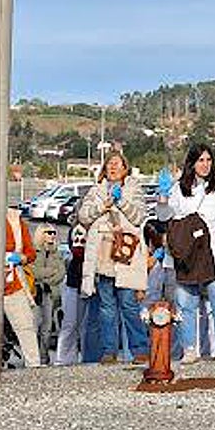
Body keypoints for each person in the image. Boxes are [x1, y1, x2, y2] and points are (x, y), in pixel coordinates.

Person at [156, 144, 215, 364]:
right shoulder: (178, 189)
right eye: (200, 160)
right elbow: (163, 216)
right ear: (191, 163)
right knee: (185, 302)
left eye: (209, 160)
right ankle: (189, 348)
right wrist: (162, 196)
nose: (205, 164)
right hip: (186, 254)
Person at [78, 151, 149, 364]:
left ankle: (139, 350)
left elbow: (139, 217)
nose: (113, 167)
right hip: (102, 254)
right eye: (109, 163)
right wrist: (103, 205)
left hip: (125, 253)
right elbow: (83, 216)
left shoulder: (134, 189)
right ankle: (109, 351)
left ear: (125, 168)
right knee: (106, 307)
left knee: (128, 304)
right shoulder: (96, 190)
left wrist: (122, 201)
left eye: (117, 164)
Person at [3, 207, 43, 367]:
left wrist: (21, 258)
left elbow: (31, 253)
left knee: (26, 327)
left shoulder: (14, 220)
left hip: (13, 284)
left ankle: (34, 367)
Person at [54, 222, 91, 365]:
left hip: (88, 282)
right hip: (74, 281)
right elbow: (77, 251)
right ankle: (64, 358)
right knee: (70, 323)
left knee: (86, 325)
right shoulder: (78, 229)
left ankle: (86, 356)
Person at [30, 223, 65, 364]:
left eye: (53, 232)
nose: (52, 235)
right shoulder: (34, 251)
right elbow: (34, 272)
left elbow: (61, 272)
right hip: (37, 293)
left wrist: (48, 276)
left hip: (50, 293)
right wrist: (50, 272)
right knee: (35, 325)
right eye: (48, 232)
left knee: (47, 327)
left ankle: (44, 357)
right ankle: (34, 357)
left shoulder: (56, 252)